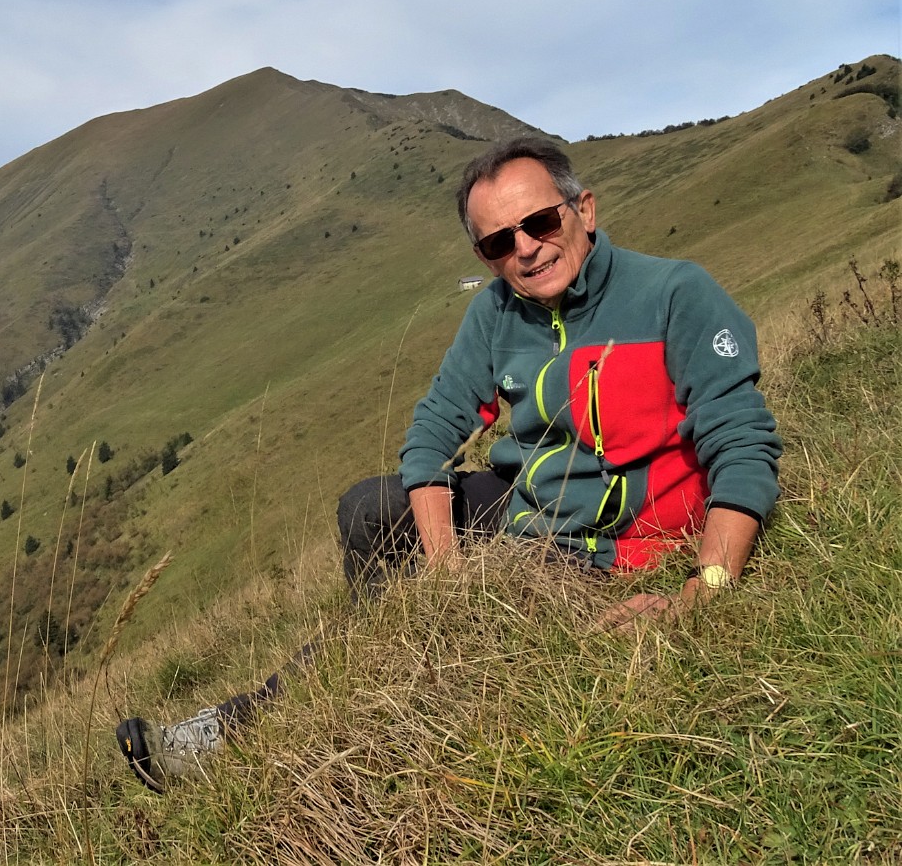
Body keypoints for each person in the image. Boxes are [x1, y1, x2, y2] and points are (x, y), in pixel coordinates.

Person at [116, 137, 782, 793]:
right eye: (499, 242)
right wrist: (444, 576)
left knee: (426, 630)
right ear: (484, 256)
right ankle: (366, 670)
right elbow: (432, 433)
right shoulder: (494, 313)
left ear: (585, 209)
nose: (525, 248)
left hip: (616, 544)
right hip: (530, 514)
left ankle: (253, 731)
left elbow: (742, 445)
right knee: (370, 510)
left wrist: (706, 587)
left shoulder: (673, 294)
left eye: (540, 222)